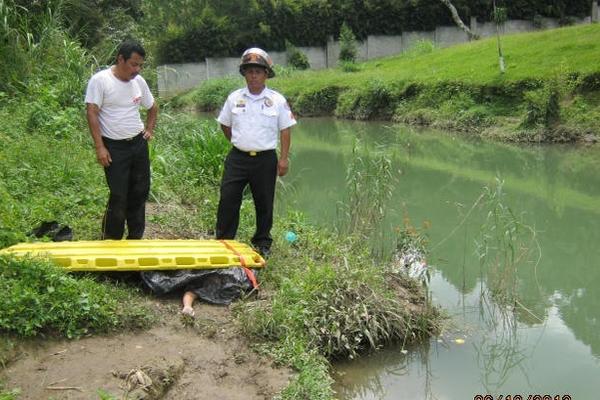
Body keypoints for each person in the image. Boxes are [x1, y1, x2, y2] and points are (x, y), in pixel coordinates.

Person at [215, 47, 297, 258]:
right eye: (249, 71)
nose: (253, 76)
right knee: (228, 198)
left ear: (266, 74)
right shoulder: (234, 98)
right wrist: (236, 140)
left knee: (264, 202)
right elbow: (225, 124)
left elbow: (285, 129)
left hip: (265, 159)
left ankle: (262, 242)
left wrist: (284, 159)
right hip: (238, 158)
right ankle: (224, 240)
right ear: (244, 74)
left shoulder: (277, 100)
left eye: (258, 71)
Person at [85, 40, 158, 240]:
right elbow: (92, 113)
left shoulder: (139, 82)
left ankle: (135, 238)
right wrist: (100, 147)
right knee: (119, 194)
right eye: (134, 64)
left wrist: (149, 129)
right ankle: (111, 238)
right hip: (114, 147)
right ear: (120, 59)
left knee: (140, 191)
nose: (137, 69)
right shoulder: (101, 80)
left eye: (140, 65)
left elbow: (152, 107)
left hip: (138, 143)